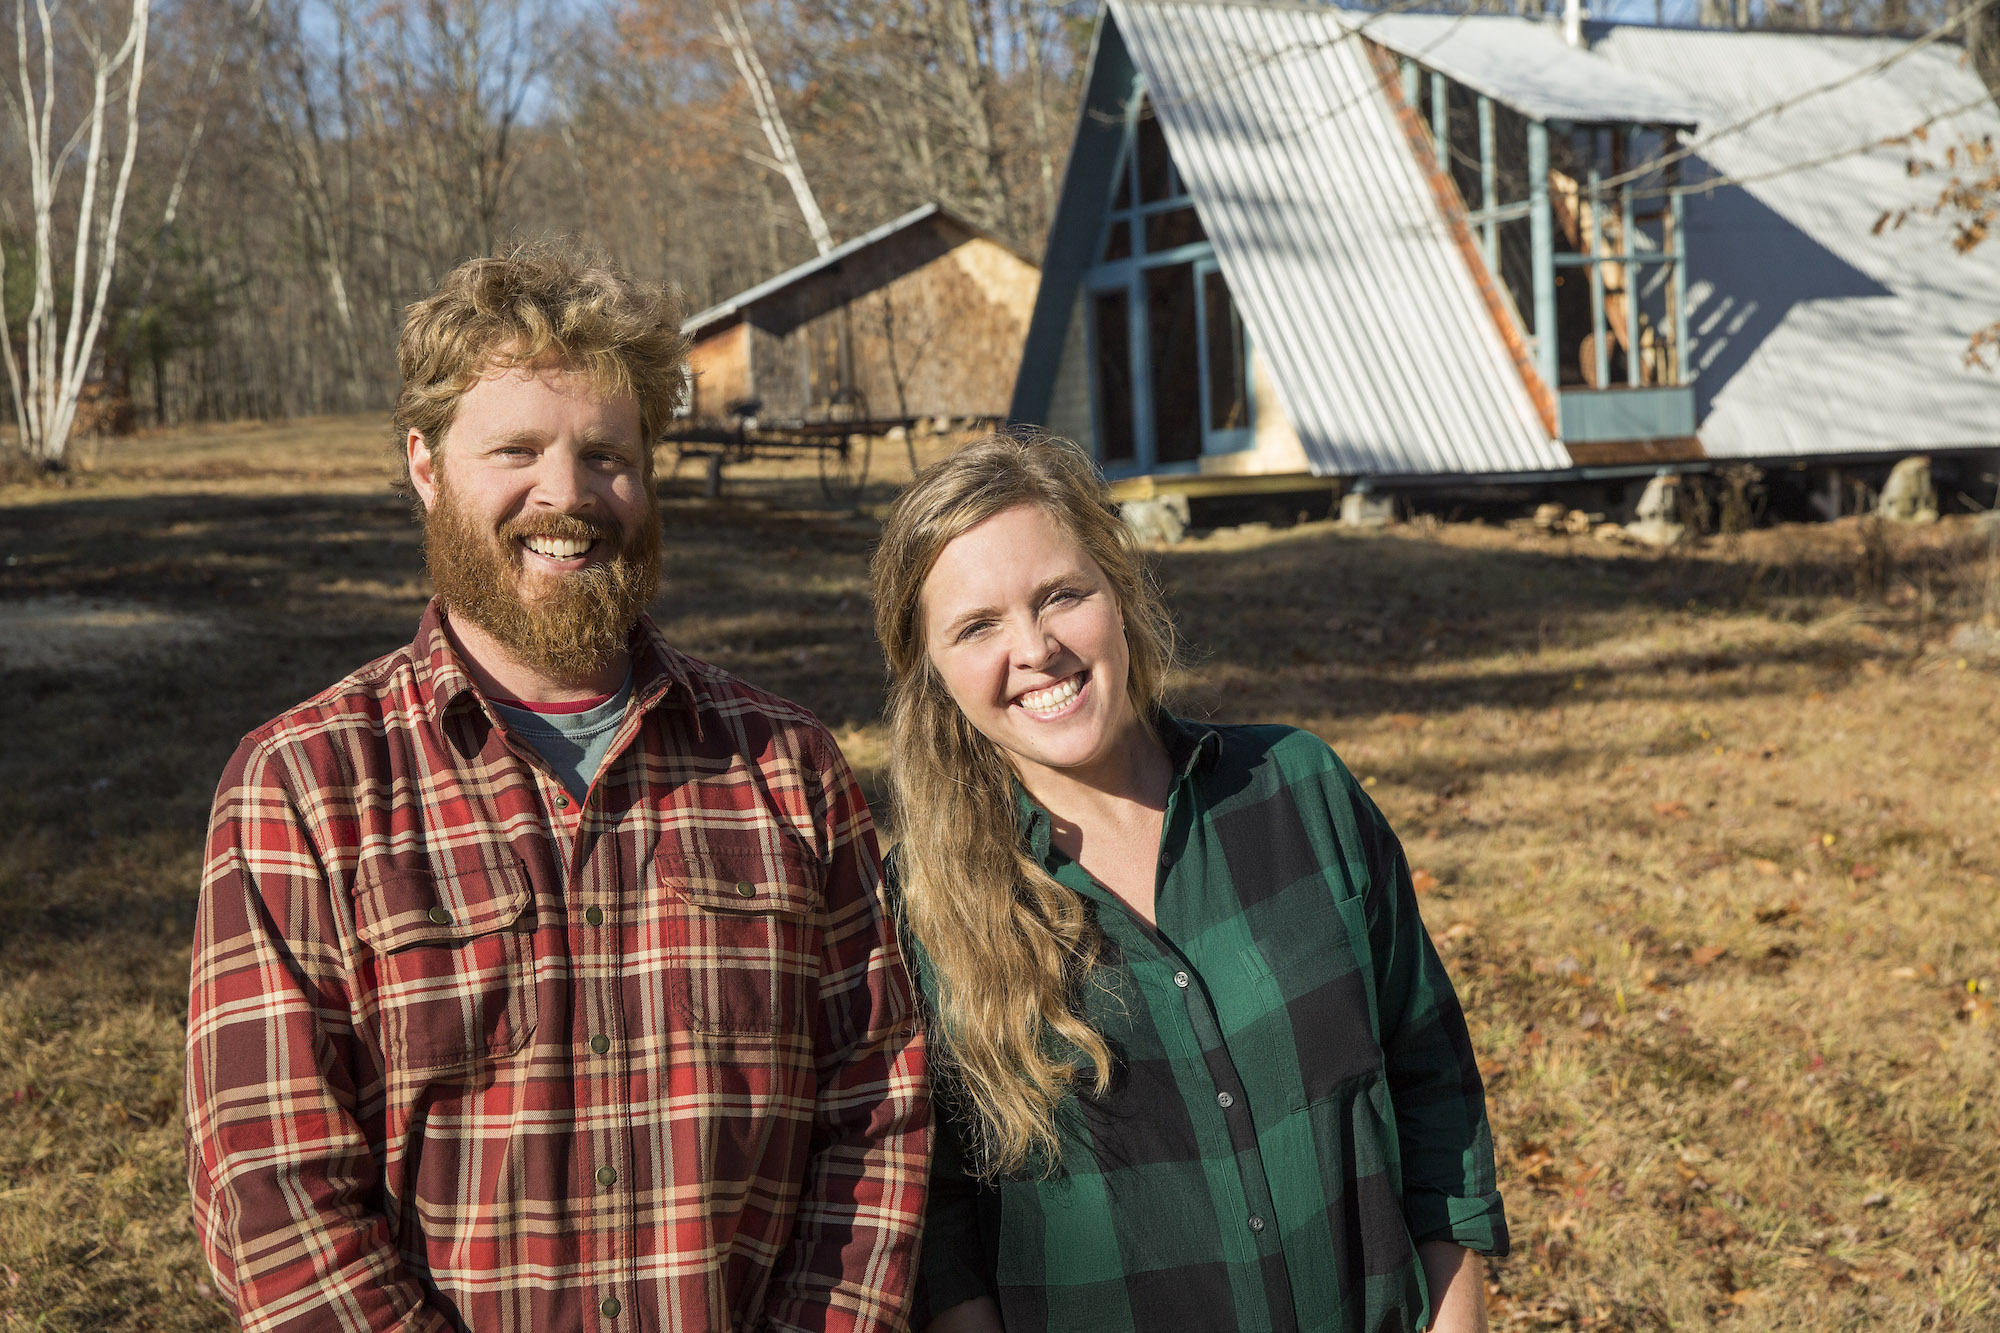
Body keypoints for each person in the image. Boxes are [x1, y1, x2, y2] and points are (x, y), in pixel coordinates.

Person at [185, 244, 928, 1333]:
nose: (567, 496)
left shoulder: (787, 767)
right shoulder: (304, 787)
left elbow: (876, 1107)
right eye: (516, 449)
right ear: (425, 465)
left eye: (606, 456)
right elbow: (271, 1193)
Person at [869, 435, 1506, 1333]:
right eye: (977, 626)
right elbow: (940, 1232)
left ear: (1118, 592)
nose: (1037, 648)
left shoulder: (1299, 789)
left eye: (1061, 595)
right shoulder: (917, 911)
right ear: (931, 670)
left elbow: (1430, 1078)